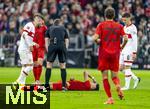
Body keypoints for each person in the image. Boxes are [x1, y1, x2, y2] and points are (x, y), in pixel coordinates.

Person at [92, 7, 128, 104]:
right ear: (114, 15)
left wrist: (98, 41)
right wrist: (121, 47)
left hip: (104, 53)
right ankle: (117, 86)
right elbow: (126, 38)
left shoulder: (101, 25)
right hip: (115, 54)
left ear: (105, 15)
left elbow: (94, 38)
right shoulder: (119, 26)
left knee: (105, 77)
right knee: (114, 76)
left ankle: (110, 99)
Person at [12, 13, 43, 89]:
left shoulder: (33, 27)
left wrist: (34, 43)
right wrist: (30, 45)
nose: (40, 22)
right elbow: (24, 35)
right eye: (38, 20)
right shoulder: (30, 25)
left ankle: (21, 85)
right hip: (25, 49)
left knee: (25, 66)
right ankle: (17, 82)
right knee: (30, 67)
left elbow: (27, 37)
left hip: (24, 49)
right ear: (35, 19)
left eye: (40, 21)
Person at [45, 19, 69, 90]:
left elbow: (46, 39)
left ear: (53, 23)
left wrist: (47, 49)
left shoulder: (50, 28)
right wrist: (66, 48)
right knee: (62, 65)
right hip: (62, 45)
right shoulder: (63, 28)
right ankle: (64, 86)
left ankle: (46, 85)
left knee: (49, 64)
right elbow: (67, 40)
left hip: (53, 45)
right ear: (60, 23)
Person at [120, 13, 141, 90]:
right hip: (123, 49)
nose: (123, 21)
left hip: (129, 50)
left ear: (129, 18)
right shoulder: (124, 27)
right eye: (122, 19)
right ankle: (135, 79)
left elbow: (135, 40)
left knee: (127, 67)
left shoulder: (133, 28)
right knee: (120, 68)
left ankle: (127, 86)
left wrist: (134, 52)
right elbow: (124, 39)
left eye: (124, 19)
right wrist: (121, 46)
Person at [32, 17, 47, 85]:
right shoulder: (32, 27)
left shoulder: (44, 28)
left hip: (41, 48)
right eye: (37, 20)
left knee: (40, 63)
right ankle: (36, 80)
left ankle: (38, 80)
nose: (39, 21)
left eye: (40, 20)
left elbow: (48, 36)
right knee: (35, 64)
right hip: (34, 48)